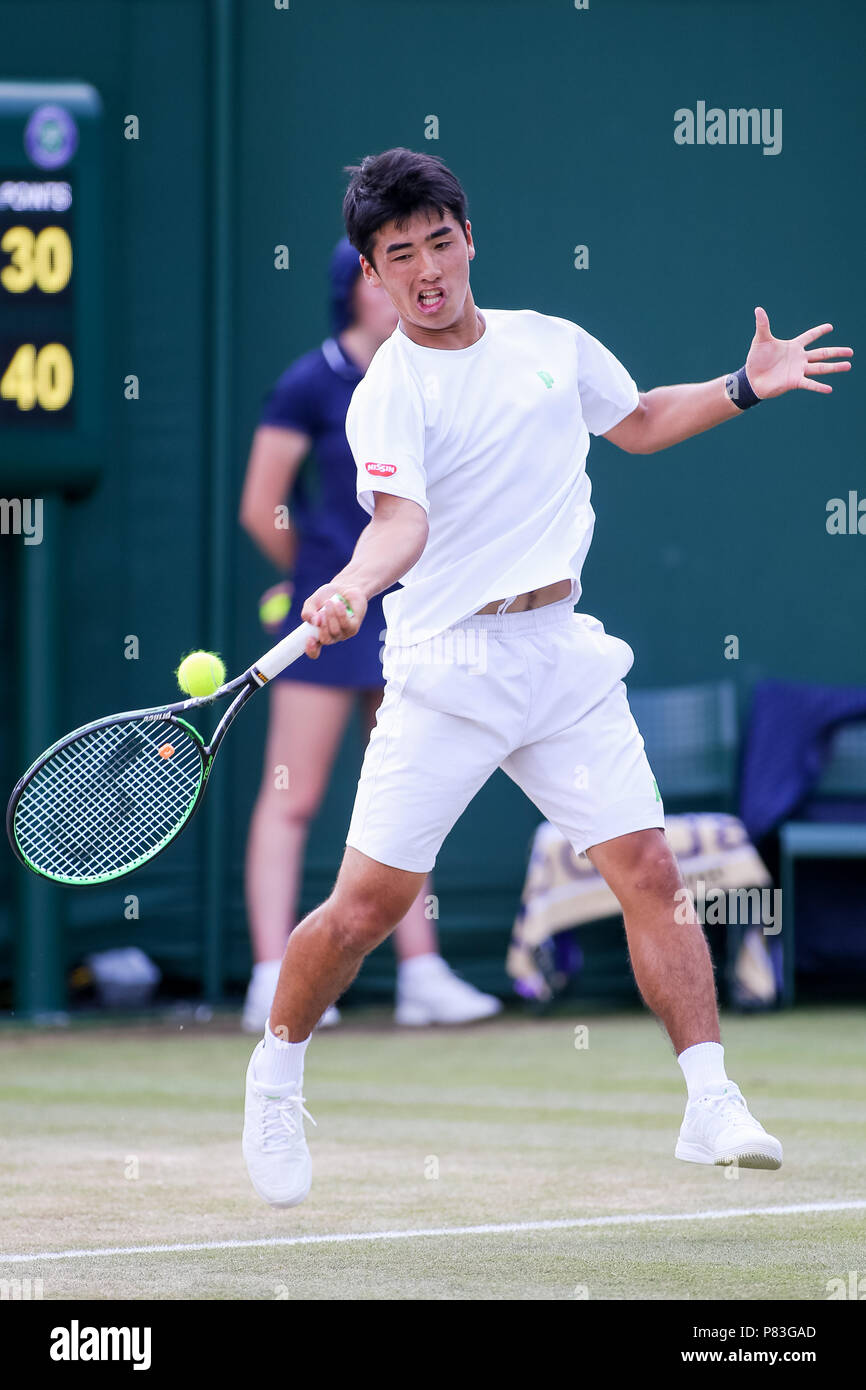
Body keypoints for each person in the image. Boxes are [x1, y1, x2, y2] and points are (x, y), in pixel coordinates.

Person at [242, 148, 853, 1207]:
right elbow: (401, 524)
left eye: (440, 241)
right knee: (362, 911)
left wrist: (742, 386)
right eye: (400, 256)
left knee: (650, 872)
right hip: (445, 666)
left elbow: (641, 423)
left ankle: (707, 1096)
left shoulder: (548, 345)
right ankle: (276, 1070)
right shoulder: (386, 391)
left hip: (560, 653)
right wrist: (348, 585)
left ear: (467, 237)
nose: (427, 269)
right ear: (372, 275)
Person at [239, 237, 502, 1033]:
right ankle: (270, 976)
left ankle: (420, 972)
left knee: (408, 794)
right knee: (295, 796)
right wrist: (324, 580)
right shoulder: (311, 382)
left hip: (414, 602)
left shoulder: (432, 376)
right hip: (330, 610)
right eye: (388, 269)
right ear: (358, 285)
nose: (411, 282)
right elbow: (261, 505)